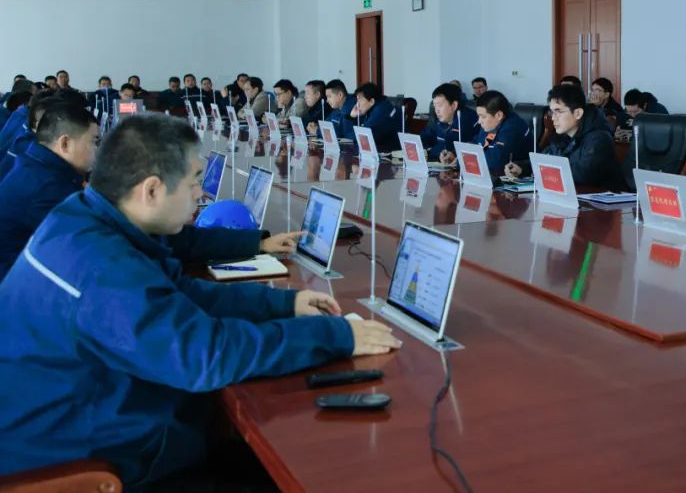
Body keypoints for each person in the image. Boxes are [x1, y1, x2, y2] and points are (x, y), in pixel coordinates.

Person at [0, 115, 402, 488]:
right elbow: (208, 356)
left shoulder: (83, 217)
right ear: (151, 190)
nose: (199, 193)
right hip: (87, 455)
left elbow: (180, 293)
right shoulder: (102, 269)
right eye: (194, 181)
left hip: (86, 417)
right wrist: (336, 337)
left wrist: (284, 304)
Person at [0, 97, 99, 280]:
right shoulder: (47, 188)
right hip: (12, 279)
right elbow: (86, 242)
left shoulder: (37, 164)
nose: (97, 150)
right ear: (65, 143)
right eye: (94, 142)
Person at [507, 84, 622, 189]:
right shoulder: (563, 135)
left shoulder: (599, 138)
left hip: (599, 201)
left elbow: (584, 175)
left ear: (577, 113)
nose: (553, 118)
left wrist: (546, 169)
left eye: (558, 112)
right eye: (552, 112)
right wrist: (521, 167)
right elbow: (545, 158)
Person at [442, 90, 530, 174]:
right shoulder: (493, 123)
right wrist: (455, 154)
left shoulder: (513, 126)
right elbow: (478, 143)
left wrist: (461, 160)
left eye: (483, 117)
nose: (479, 121)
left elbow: (496, 161)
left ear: (499, 115)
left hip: (516, 178)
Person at [422, 83, 479, 161]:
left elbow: (477, 145)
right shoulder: (439, 122)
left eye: (439, 105)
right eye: (435, 106)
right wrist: (427, 151)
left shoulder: (472, 121)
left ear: (454, 105)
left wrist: (454, 153)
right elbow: (424, 138)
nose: (436, 111)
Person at [352, 82, 396, 151]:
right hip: (383, 149)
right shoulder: (375, 107)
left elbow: (362, 137)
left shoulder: (381, 110)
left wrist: (351, 117)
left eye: (360, 100)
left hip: (392, 153)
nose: (357, 104)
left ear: (371, 101)